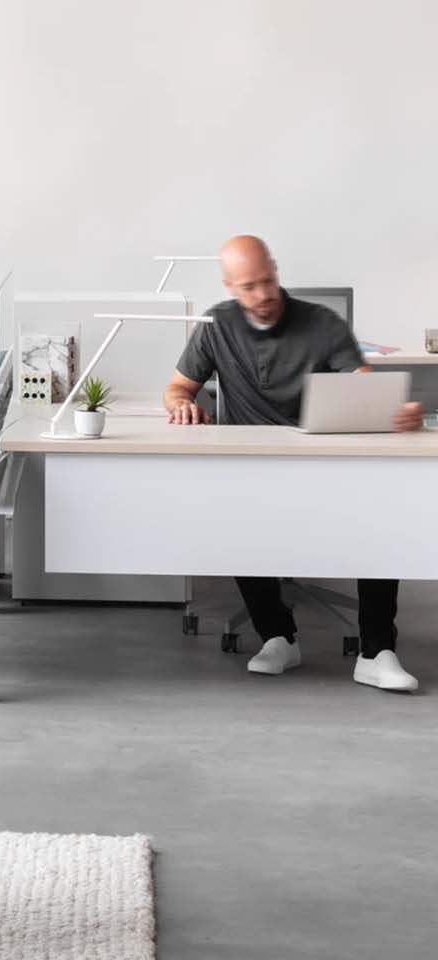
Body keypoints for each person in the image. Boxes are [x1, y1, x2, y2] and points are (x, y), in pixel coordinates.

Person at [162, 235, 422, 693]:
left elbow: (363, 386)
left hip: (324, 462)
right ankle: (278, 636)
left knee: (382, 515)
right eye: (248, 287)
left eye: (268, 281)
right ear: (229, 286)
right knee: (237, 520)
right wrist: (183, 403)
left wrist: (395, 409)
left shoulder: (322, 323)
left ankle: (376, 651)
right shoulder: (215, 326)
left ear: (276, 271)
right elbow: (177, 387)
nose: (262, 295)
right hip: (254, 467)